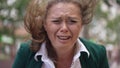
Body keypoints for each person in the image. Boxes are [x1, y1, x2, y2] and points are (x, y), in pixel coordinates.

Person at [12, 0, 109, 68]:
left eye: (72, 21)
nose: (64, 28)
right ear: (45, 24)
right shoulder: (26, 52)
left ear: (81, 24)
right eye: (56, 21)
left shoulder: (98, 54)